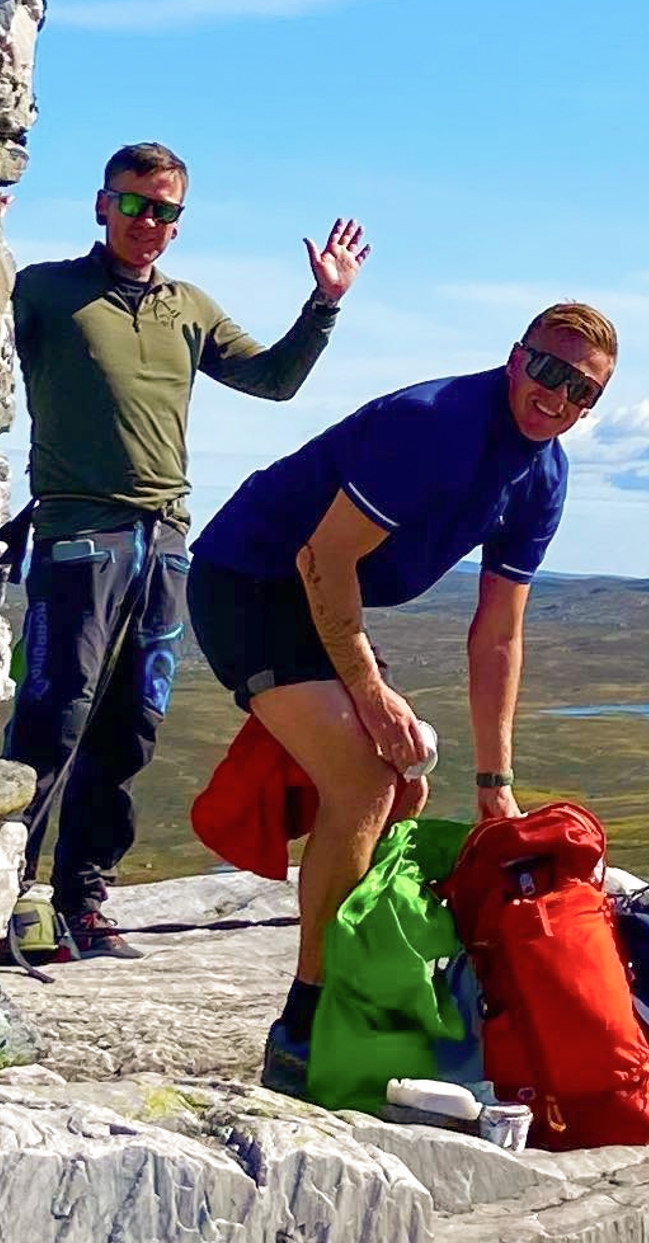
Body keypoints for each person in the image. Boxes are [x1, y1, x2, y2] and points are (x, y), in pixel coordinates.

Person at [187, 302, 618, 1094]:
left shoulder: (544, 476)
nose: (558, 397)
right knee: (363, 775)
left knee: (408, 780)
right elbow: (324, 558)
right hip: (251, 580)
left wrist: (496, 785)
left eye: (582, 391)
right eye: (548, 370)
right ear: (515, 357)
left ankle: (364, 968)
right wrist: (370, 694)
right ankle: (306, 1023)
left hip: (319, 595)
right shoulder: (436, 425)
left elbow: (498, 635)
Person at [4, 142, 370, 962]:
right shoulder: (46, 291)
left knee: (131, 724)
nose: (148, 223)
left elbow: (274, 381)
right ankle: (6, 897)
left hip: (165, 541)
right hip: (78, 535)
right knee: (54, 714)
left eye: (164, 211)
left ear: (178, 222)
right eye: (134, 204)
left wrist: (324, 303)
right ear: (103, 205)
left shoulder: (189, 307)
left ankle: (83, 901)